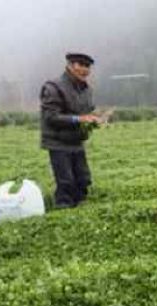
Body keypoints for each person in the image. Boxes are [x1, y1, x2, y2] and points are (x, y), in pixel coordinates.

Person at [40, 52, 102, 209]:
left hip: (77, 140)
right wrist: (79, 119)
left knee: (83, 179)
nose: (84, 69)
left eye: (87, 66)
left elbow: (88, 112)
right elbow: (51, 117)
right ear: (69, 65)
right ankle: (63, 208)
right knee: (66, 180)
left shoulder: (87, 90)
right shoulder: (53, 87)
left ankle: (81, 207)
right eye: (80, 65)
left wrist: (95, 119)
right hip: (58, 142)